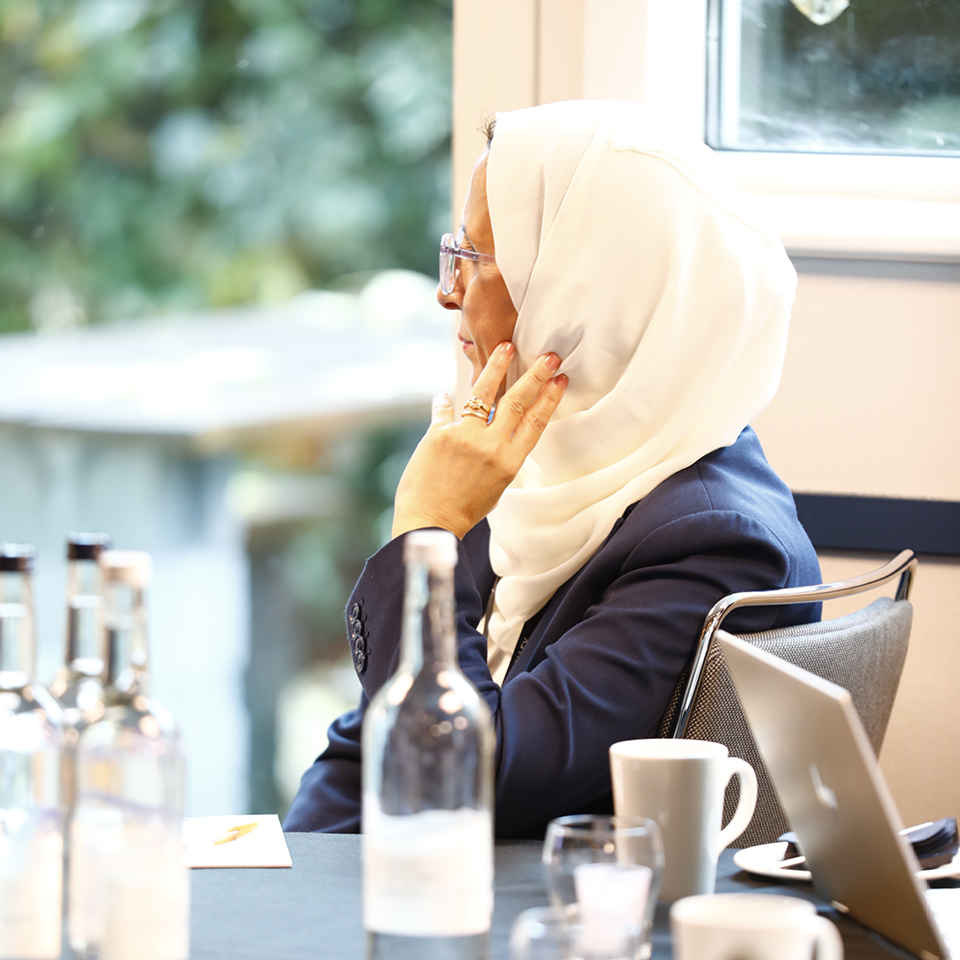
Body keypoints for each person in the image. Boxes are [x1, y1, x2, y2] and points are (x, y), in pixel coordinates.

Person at [283, 99, 821, 839]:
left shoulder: (715, 541)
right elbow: (368, 739)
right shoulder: (549, 469)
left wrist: (426, 534)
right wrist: (285, 865)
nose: (448, 291)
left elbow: (480, 778)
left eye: (474, 260)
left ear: (587, 293)